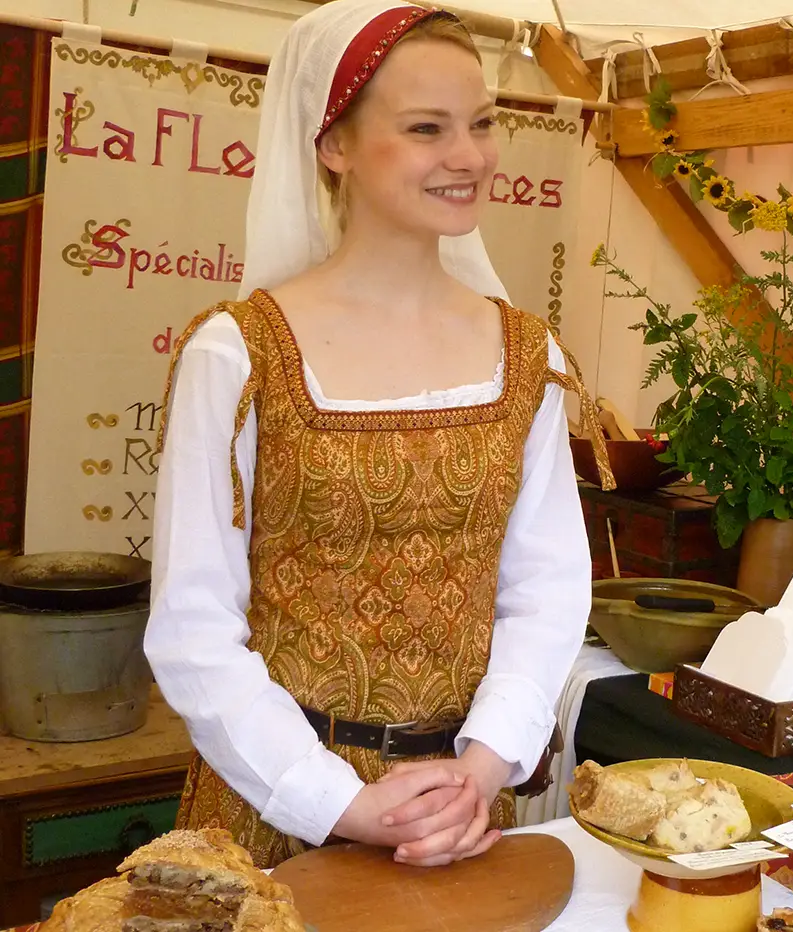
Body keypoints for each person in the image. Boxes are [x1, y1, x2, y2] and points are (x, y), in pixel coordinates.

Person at [146, 0, 613, 871]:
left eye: (481, 124)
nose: (469, 156)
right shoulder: (241, 353)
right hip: (281, 811)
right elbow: (193, 624)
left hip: (463, 817)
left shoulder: (525, 351)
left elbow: (546, 587)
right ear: (334, 145)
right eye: (427, 128)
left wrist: (483, 767)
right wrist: (341, 802)